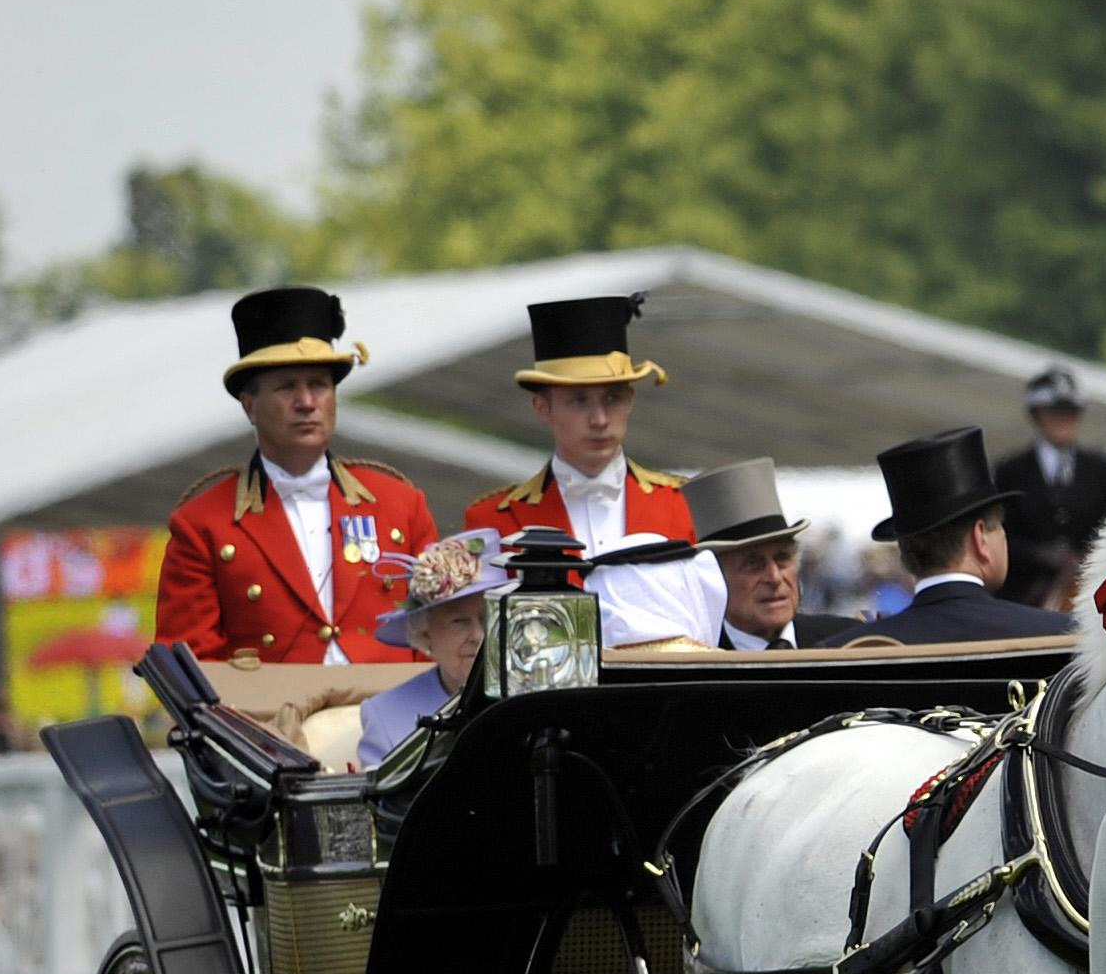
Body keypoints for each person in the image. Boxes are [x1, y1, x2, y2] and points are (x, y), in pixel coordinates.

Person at [155, 286, 440, 666]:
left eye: (319, 385)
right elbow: (188, 666)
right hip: (268, 722)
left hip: (397, 718)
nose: (306, 402)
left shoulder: (401, 505)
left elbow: (440, 634)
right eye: (287, 387)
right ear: (250, 406)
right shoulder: (202, 525)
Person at [459, 294, 721, 647]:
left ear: (630, 400)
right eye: (579, 401)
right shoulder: (491, 521)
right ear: (542, 407)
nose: (599, 420)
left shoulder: (685, 504)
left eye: (612, 398)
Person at [858, 429, 1076, 644]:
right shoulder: (1059, 635)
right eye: (1000, 528)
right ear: (980, 538)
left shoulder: (854, 648)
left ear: (906, 551)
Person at [353, 533, 506, 768]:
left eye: (488, 618)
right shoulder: (386, 715)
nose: (478, 635)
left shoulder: (536, 698)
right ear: (425, 634)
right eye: (459, 621)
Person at [685, 460, 856, 650]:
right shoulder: (695, 658)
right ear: (715, 579)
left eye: (782, 559)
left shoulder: (849, 643)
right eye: (753, 564)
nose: (774, 578)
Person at [1000, 366, 1106, 608]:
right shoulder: (1011, 470)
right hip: (1022, 593)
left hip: (1083, 592)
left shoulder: (1098, 469)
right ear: (1037, 415)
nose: (1063, 420)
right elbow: (1002, 535)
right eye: (1054, 412)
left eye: (1069, 412)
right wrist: (1039, 555)